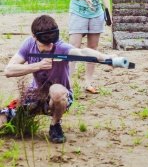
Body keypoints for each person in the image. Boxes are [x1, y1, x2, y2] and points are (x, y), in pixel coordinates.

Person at [0, 15, 117, 143]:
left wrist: (107, 57)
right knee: (2, 118)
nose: (50, 43)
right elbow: (9, 70)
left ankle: (55, 125)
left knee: (57, 91)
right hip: (35, 95)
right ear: (35, 36)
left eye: (53, 37)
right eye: (45, 38)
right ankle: (20, 122)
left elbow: (83, 53)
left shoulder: (60, 47)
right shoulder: (29, 44)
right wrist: (37, 66)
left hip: (59, 97)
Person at [63, 0, 111, 94]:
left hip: (95, 11)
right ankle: (67, 83)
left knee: (92, 48)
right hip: (77, 10)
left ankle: (89, 82)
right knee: (73, 47)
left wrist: (108, 10)